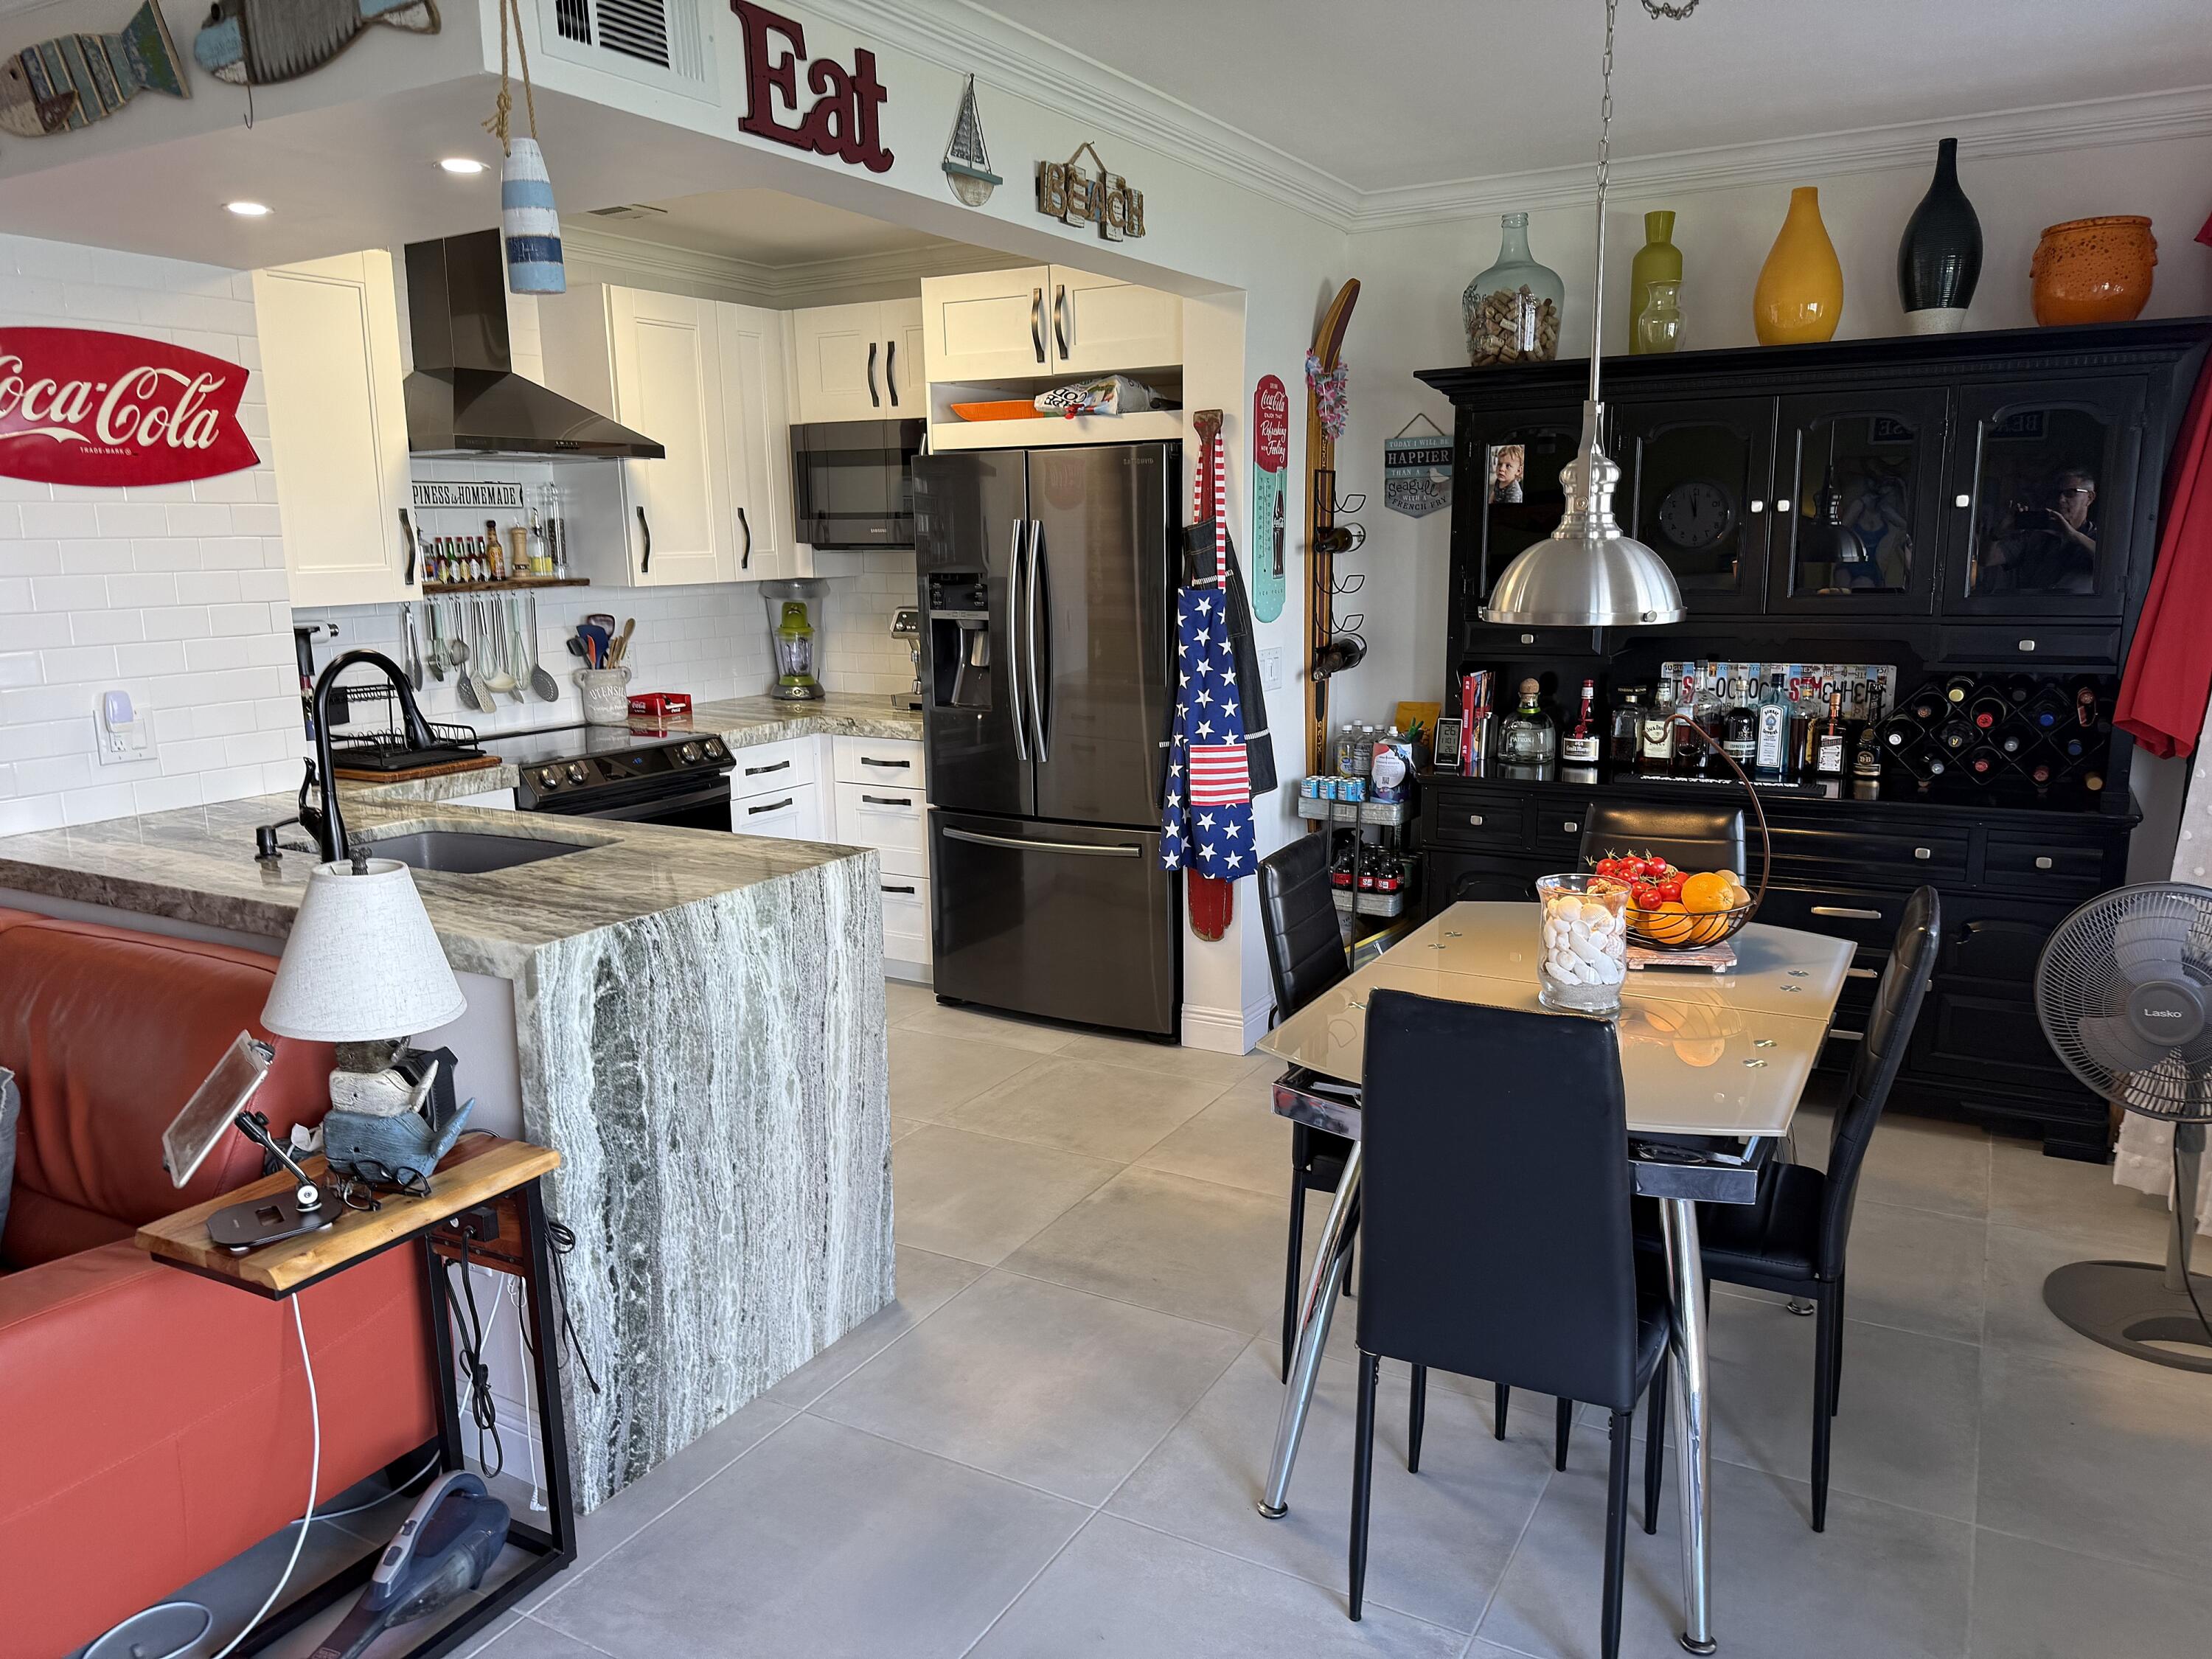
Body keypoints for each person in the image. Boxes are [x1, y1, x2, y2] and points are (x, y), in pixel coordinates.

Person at [1978, 467, 2098, 594]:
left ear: (2089, 498)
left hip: (2076, 607)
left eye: (2070, 493)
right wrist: (1999, 533)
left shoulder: (2098, 539)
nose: (2061, 500)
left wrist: (2075, 536)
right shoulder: (2038, 536)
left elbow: (2109, 566)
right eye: (2058, 494)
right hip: (2034, 606)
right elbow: (1986, 560)